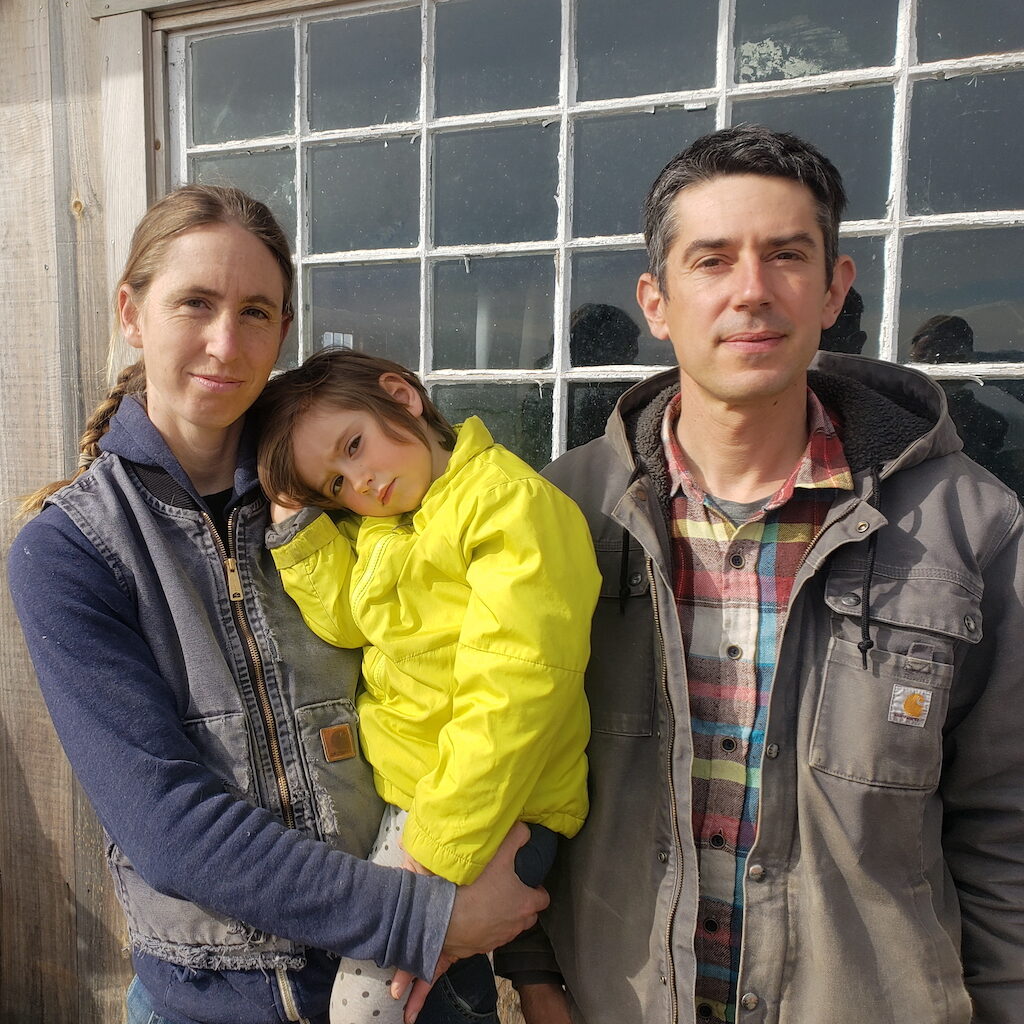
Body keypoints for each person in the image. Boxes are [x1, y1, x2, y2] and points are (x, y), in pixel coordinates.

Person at [503, 125, 1024, 1023]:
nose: (752, 291)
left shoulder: (967, 527)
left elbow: (1007, 820)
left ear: (834, 289)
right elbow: (507, 764)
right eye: (712, 260)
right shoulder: (562, 517)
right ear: (656, 300)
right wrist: (537, 978)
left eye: (787, 255)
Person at [8, 184, 547, 1024]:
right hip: (219, 999)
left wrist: (522, 949)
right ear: (131, 310)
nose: (227, 343)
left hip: (425, 989)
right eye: (195, 302)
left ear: (284, 330)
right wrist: (421, 916)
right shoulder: (71, 550)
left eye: (256, 311)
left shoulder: (349, 488)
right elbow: (166, 822)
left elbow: (483, 679)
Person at [254, 347, 598, 1024]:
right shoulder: (389, 525)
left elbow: (515, 693)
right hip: (422, 806)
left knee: (362, 1010)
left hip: (488, 814)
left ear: (401, 395)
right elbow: (349, 618)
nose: (362, 481)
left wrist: (434, 853)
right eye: (336, 484)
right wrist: (297, 529)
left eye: (355, 444)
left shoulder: (507, 505)